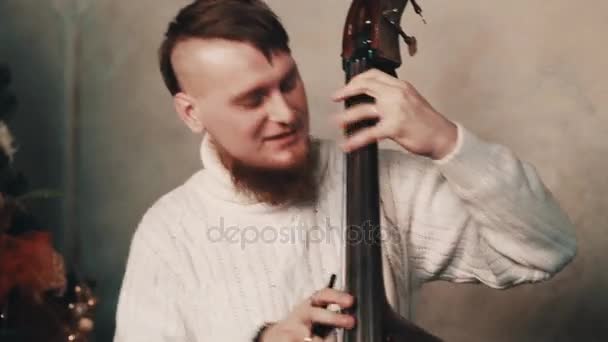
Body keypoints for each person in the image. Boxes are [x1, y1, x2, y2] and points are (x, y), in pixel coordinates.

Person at [113, 1, 577, 341]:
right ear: (191, 113)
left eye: (288, 82)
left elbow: (546, 249)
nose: (286, 113)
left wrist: (445, 141)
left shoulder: (381, 183)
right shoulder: (169, 233)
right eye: (253, 98)